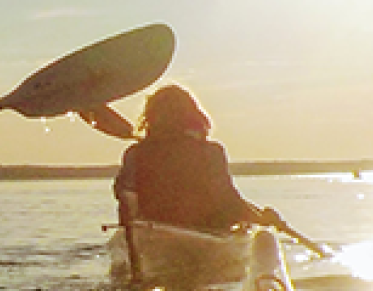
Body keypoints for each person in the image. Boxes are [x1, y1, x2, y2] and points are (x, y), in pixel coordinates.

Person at [113, 84, 269, 232]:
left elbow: (126, 199)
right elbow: (228, 201)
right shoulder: (211, 152)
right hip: (207, 231)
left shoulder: (135, 154)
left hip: (152, 232)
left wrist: (130, 231)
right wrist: (261, 219)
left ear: (151, 118)